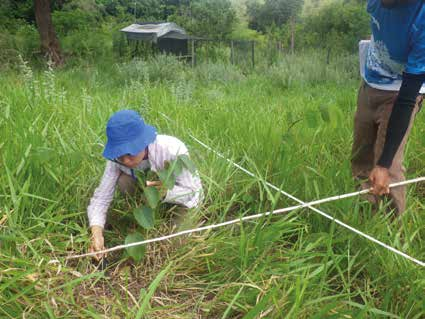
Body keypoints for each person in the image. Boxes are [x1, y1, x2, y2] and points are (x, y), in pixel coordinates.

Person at [87, 110, 203, 259]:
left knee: (177, 242)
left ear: (143, 142)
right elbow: (101, 197)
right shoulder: (116, 160)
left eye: (130, 153)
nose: (125, 161)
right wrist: (96, 233)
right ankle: (142, 210)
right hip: (147, 194)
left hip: (181, 201)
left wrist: (166, 192)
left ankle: (167, 214)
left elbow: (194, 192)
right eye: (119, 155)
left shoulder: (172, 150)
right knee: (124, 181)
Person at [352, 0, 425, 214]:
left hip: (401, 91)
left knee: (389, 168)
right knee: (361, 156)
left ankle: (390, 235)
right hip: (370, 82)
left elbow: (407, 99)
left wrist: (383, 164)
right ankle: (365, 216)